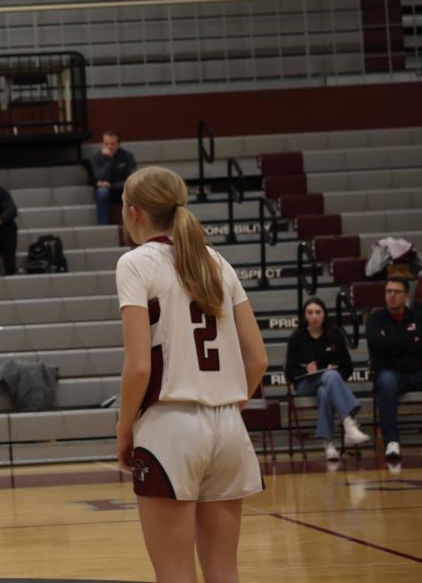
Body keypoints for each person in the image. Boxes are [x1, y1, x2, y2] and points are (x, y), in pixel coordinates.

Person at [114, 166, 268, 583]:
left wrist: (124, 427)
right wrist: (227, 403)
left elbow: (139, 364)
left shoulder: (135, 263)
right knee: (224, 571)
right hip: (229, 426)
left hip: (171, 426)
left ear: (135, 213)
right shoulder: (218, 262)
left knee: (175, 574)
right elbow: (258, 360)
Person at [284, 297, 370, 460]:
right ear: (304, 316)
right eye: (310, 313)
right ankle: (348, 423)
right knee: (330, 376)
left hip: (328, 385)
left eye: (318, 312)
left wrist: (335, 374)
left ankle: (329, 445)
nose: (314, 316)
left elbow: (347, 367)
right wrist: (304, 369)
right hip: (305, 385)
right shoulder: (297, 338)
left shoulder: (335, 335)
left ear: (324, 315)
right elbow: (289, 372)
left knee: (325, 391)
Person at [366, 277, 422, 460]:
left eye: (396, 292)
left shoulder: (419, 316)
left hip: (421, 372)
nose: (391, 295)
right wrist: (411, 341)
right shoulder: (375, 319)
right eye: (388, 291)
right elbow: (376, 345)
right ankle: (392, 442)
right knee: (386, 382)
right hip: (392, 373)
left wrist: (392, 344)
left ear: (405, 295)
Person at [92, 129, 137, 226]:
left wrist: (111, 186)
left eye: (112, 144)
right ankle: (103, 227)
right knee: (102, 192)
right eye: (106, 144)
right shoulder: (97, 158)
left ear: (118, 143)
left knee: (133, 190)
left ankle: (133, 226)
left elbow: (131, 179)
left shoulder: (127, 156)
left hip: (122, 188)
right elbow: (100, 177)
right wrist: (108, 160)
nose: (109, 147)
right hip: (106, 192)